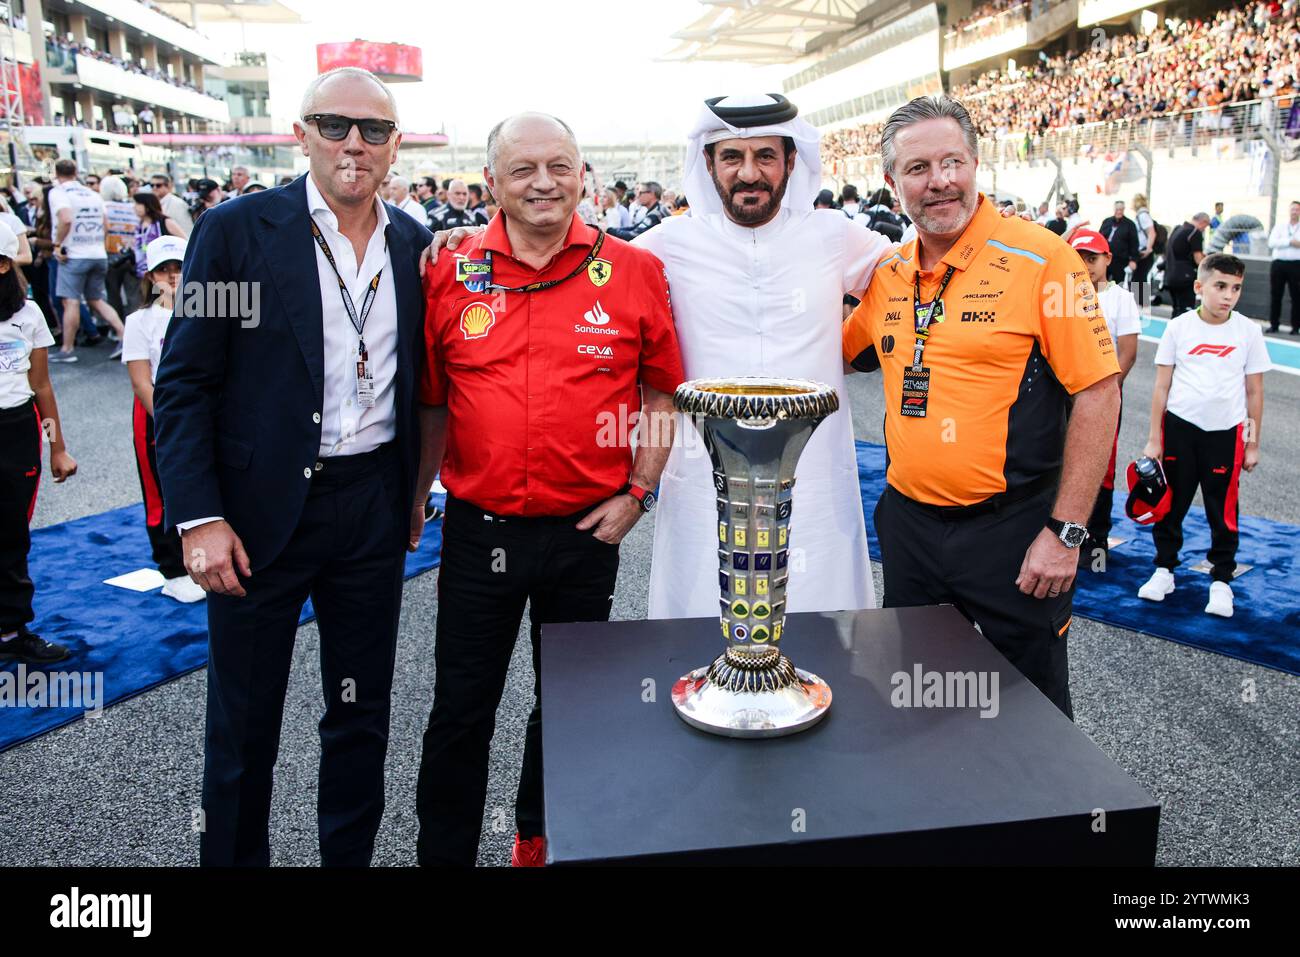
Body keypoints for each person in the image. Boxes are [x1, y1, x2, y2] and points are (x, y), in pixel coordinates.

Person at [152, 66, 432, 867]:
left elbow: (421, 386)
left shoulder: (412, 244)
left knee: (360, 714)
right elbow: (184, 384)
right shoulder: (236, 233)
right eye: (335, 124)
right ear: (300, 132)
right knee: (243, 725)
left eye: (373, 130)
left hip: (371, 506)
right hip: (255, 513)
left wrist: (414, 493)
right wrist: (199, 516)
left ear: (393, 145)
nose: (354, 143)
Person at [413, 112, 683, 868]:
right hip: (478, 532)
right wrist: (417, 495)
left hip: (585, 534)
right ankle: (445, 853)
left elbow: (662, 397)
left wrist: (638, 493)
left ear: (582, 174)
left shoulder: (632, 270)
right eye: (524, 168)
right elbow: (432, 400)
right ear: (491, 180)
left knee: (569, 707)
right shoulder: (448, 268)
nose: (543, 182)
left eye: (559, 166)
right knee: (461, 712)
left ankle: (537, 837)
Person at [842, 94, 1121, 719]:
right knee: (918, 705)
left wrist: (1067, 532)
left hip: (1015, 534)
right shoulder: (888, 273)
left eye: (952, 162)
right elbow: (839, 351)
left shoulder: (1043, 259)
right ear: (892, 183)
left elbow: (1100, 392)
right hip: (909, 532)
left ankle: (1046, 820)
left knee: (1029, 719)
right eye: (918, 168)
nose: (939, 182)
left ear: (975, 163)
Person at [637, 92, 893, 622]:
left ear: (792, 161)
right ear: (707, 164)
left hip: (815, 466)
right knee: (704, 614)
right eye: (731, 157)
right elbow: (580, 269)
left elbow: (922, 273)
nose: (748, 173)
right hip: (705, 467)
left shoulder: (833, 235)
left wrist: (850, 349)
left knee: (821, 615)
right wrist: (467, 242)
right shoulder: (666, 244)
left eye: (765, 157)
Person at [1138, 254, 1269, 617]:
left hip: (1225, 435)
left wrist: (1252, 442)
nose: (1229, 295)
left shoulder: (1248, 331)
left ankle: (1221, 581)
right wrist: (1154, 439)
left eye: (1237, 288)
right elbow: (1161, 388)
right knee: (1171, 505)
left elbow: (1255, 392)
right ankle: (1164, 570)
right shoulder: (1179, 327)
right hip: (1180, 429)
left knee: (1222, 512)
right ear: (1199, 287)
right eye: (1221, 286)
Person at [0, 221, 77, 665]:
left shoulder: (27, 314)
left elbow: (42, 386)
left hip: (15, 431)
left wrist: (58, 447)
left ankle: (11, 632)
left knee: (11, 534)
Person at [121, 235, 203, 604]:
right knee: (161, 489)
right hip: (158, 413)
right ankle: (171, 567)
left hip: (202, 408)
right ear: (150, 275)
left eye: (179, 268)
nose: (172, 277)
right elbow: (141, 380)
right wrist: (172, 421)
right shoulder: (140, 320)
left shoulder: (209, 308)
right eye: (163, 270)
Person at [1069, 229, 1141, 561]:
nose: (1086, 265)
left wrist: (1107, 391)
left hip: (1103, 396)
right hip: (1066, 394)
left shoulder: (1123, 298)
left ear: (1108, 259)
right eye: (1079, 257)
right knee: (1062, 463)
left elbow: (1127, 353)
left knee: (1102, 467)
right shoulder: (1063, 294)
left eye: (1092, 258)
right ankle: (1064, 534)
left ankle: (1096, 542)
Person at [47, 159, 125, 363]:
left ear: (57, 173)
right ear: (75, 172)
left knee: (70, 301)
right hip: (97, 252)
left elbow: (65, 218)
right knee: (96, 299)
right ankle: (125, 336)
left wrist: (57, 244)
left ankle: (67, 349)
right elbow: (106, 224)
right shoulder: (92, 193)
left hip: (74, 253)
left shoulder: (59, 192)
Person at [100, 175, 140, 320]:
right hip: (132, 256)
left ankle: (117, 328)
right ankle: (134, 325)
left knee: (113, 293)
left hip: (111, 255)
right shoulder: (133, 208)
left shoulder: (104, 207)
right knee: (134, 295)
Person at [1164, 212, 1210, 317]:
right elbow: (1198, 259)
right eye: (1205, 226)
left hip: (1171, 274)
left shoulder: (1178, 229)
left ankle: (1173, 332)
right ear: (1203, 222)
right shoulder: (1194, 232)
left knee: (1176, 309)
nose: (1204, 229)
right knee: (1186, 311)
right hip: (1185, 277)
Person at [1266, 200, 1300, 334]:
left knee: (1296, 296)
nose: (1294, 212)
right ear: (1289, 211)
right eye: (1293, 209)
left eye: (1297, 210)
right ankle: (1274, 324)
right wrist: (1289, 242)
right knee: (1276, 295)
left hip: (1296, 265)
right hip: (1279, 264)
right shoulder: (1280, 226)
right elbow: (1272, 242)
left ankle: (1295, 327)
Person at [1098, 200, 1139, 284]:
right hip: (1105, 258)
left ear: (1124, 210)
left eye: (1121, 209)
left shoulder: (1130, 224)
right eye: (1117, 209)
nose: (1119, 211)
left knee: (1119, 284)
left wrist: (1133, 260)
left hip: (1121, 260)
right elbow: (1100, 238)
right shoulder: (1107, 222)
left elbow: (1134, 243)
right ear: (1114, 209)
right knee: (1101, 283)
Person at [1131, 192, 1157, 294]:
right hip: (1143, 251)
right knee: (1139, 279)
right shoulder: (1142, 215)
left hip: (1144, 252)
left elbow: (1151, 233)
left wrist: (1148, 249)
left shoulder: (1143, 216)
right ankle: (1141, 305)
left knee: (1139, 279)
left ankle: (1141, 305)